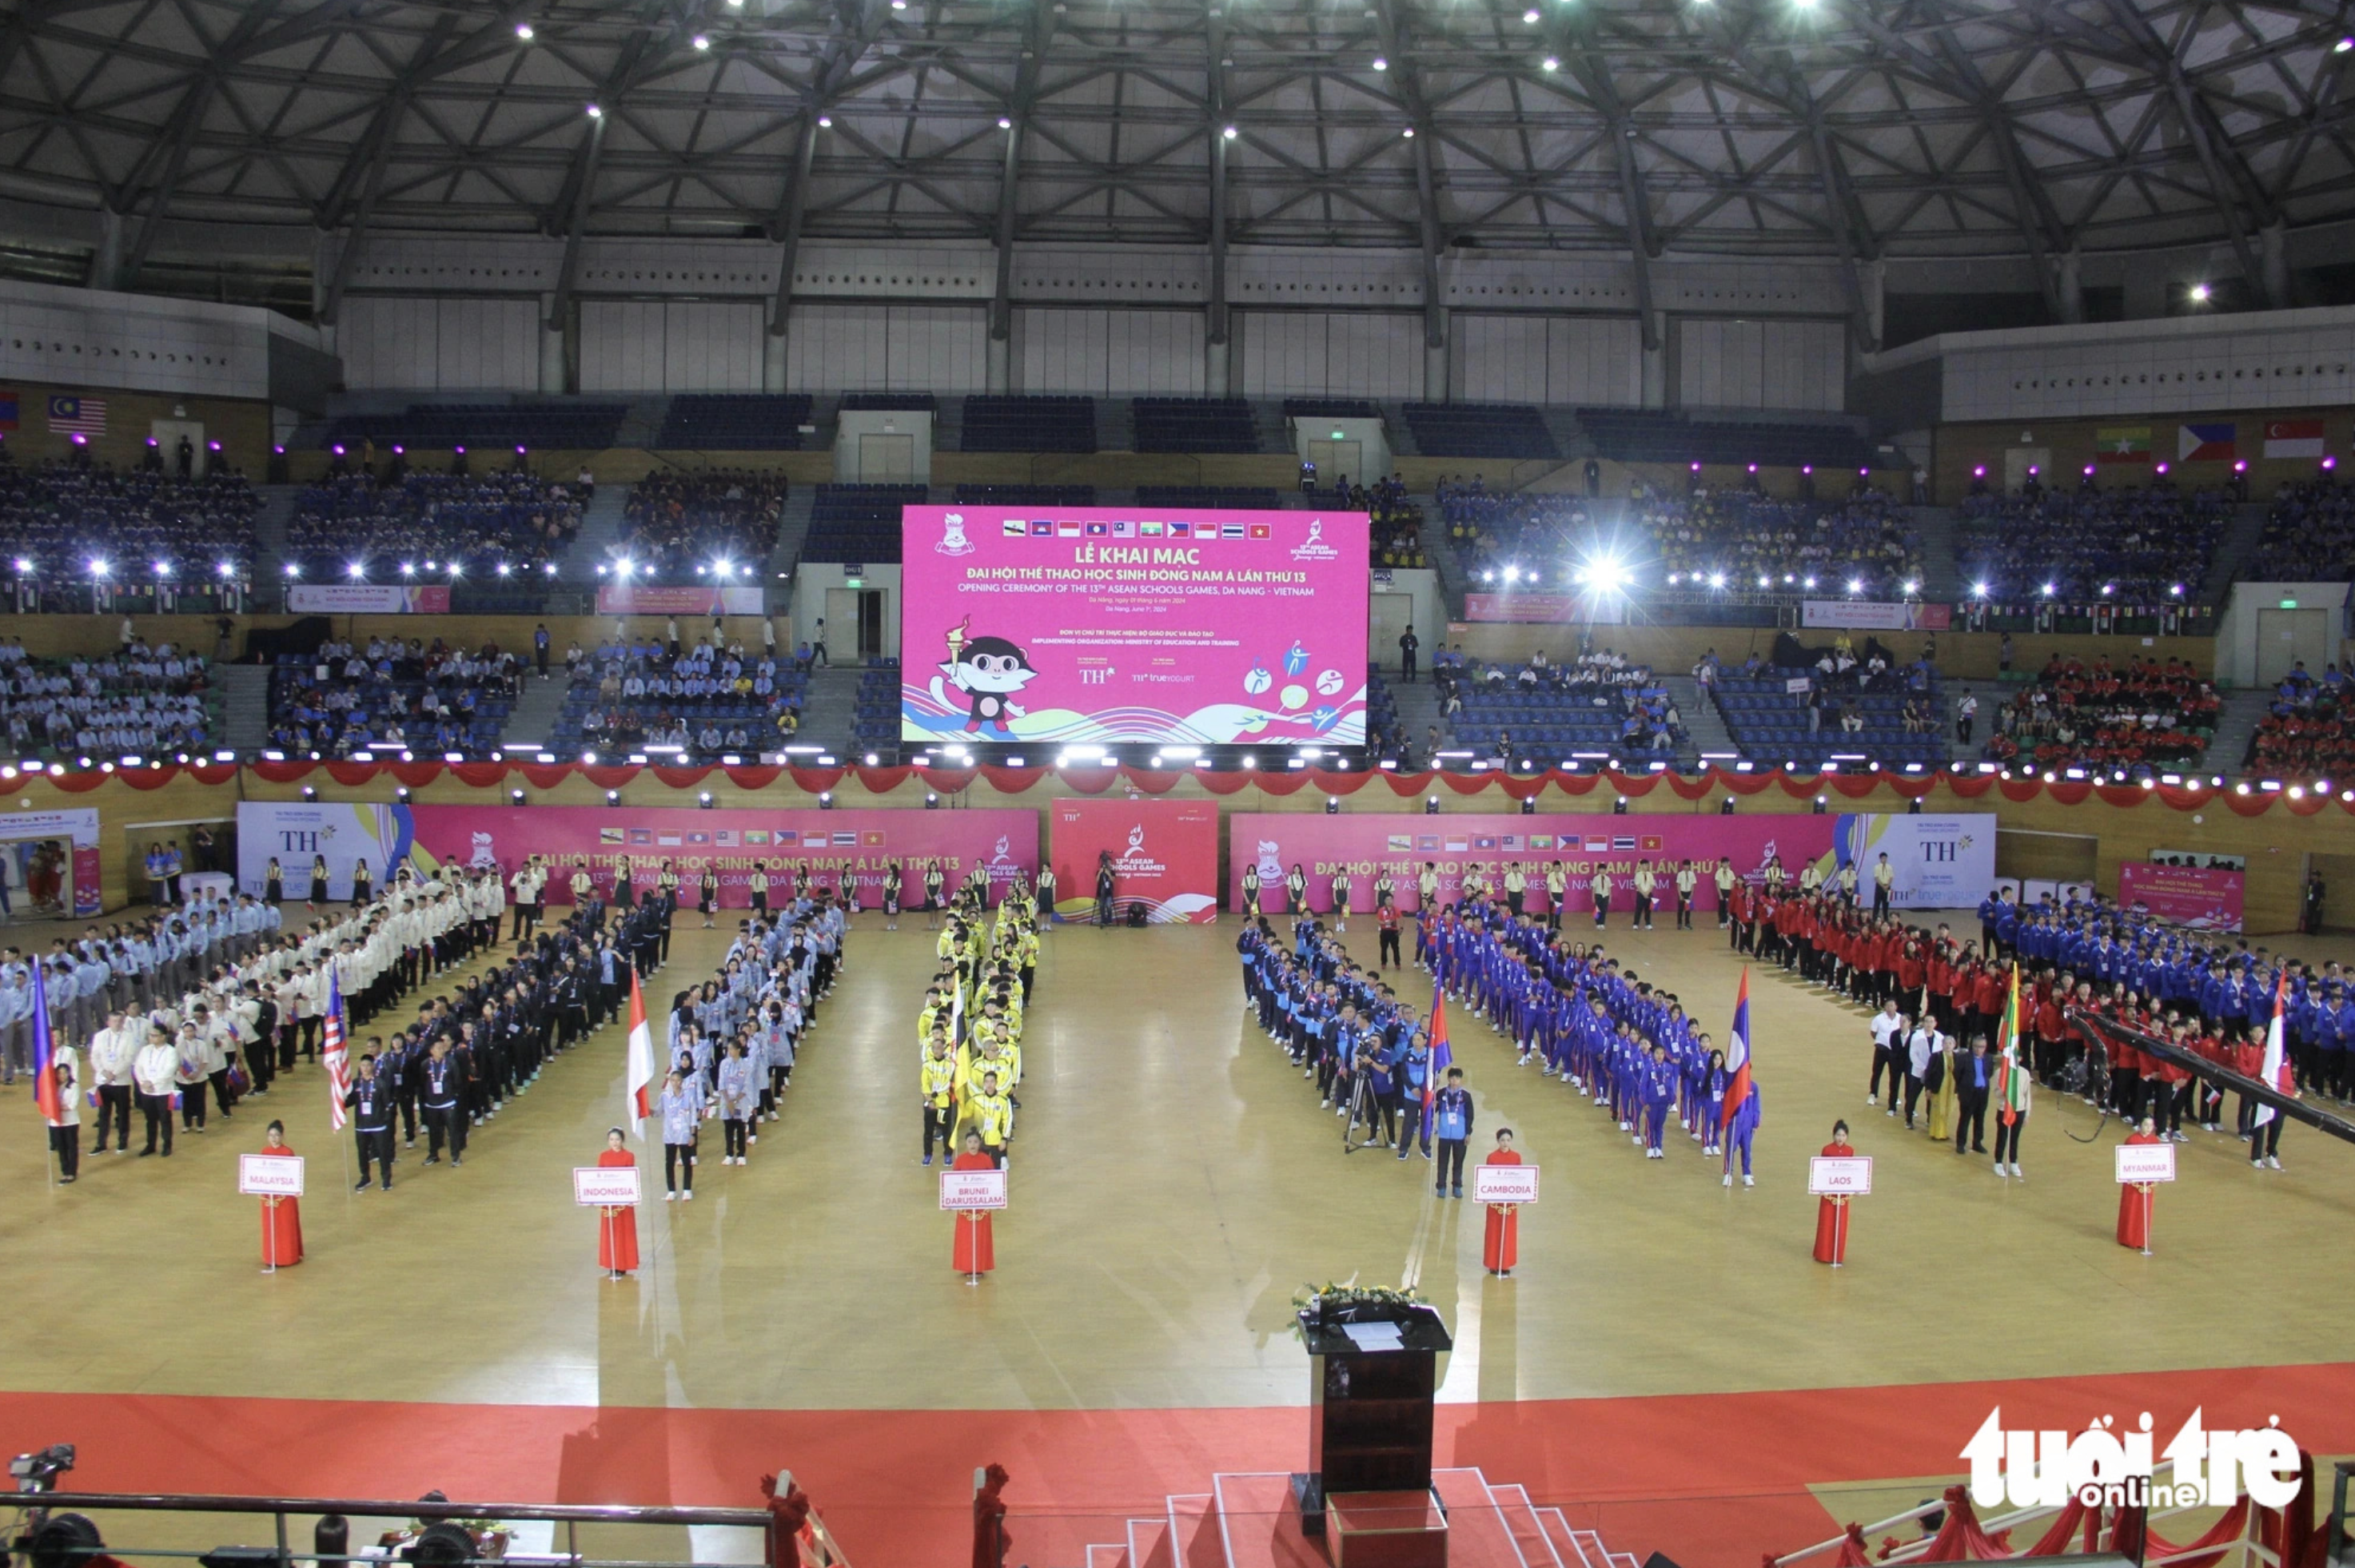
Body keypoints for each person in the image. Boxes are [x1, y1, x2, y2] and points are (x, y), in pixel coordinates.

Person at [950, 1131, 996, 1278]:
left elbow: (994, 1182)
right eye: (970, 1142)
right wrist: (949, 1202)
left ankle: (980, 1266)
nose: (973, 1145)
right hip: (965, 1207)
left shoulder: (986, 1160)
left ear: (980, 1143)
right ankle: (967, 1266)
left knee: (981, 1237)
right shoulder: (960, 1160)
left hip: (982, 1207)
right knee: (966, 1237)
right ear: (966, 1143)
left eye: (975, 1142)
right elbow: (953, 1183)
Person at [257, 1120, 304, 1267]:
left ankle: (287, 1256)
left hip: (285, 1197)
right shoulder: (264, 1152)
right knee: (270, 1227)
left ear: (282, 1136)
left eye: (276, 1135)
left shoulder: (287, 1152)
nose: (274, 1138)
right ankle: (272, 1257)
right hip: (268, 1196)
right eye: (271, 1135)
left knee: (285, 1226)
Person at [596, 1128, 640, 1276]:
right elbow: (598, 1177)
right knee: (610, 1232)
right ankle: (611, 1264)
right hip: (609, 1201)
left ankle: (623, 1264)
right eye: (611, 1140)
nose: (614, 1143)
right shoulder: (603, 1156)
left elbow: (630, 1177)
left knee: (623, 1233)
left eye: (617, 1139)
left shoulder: (628, 1156)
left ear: (622, 1140)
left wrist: (631, 1196)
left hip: (623, 1202)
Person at [1480, 1127, 1521, 1275]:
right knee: (1494, 1232)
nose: (1505, 1143)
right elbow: (1487, 1178)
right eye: (1503, 1140)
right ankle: (1493, 1263)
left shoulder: (1516, 1157)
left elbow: (1520, 1179)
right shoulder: (1492, 1157)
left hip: (1510, 1202)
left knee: (1508, 1233)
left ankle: (1506, 1264)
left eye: (1508, 1140)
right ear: (1498, 1141)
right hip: (1495, 1203)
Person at [1813, 1120, 1855, 1264]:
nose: (1840, 1138)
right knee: (1827, 1222)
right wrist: (1819, 1187)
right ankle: (1823, 1254)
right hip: (1829, 1193)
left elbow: (1853, 1172)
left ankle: (1837, 1255)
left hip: (1843, 1194)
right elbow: (1821, 1170)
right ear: (1833, 1135)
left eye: (1843, 1135)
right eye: (1838, 1135)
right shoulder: (1827, 1150)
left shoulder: (1850, 1151)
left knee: (1841, 1224)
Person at [2118, 1117, 2162, 1250]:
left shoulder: (2155, 1141)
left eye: (2151, 1125)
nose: (2148, 1128)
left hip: (2148, 1182)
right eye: (2146, 1125)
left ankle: (2141, 1238)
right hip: (2133, 1182)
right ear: (2140, 1125)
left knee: (2145, 1209)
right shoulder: (2132, 1140)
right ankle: (2128, 1237)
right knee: (2131, 1208)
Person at [43, 1032, 81, 1183]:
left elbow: (71, 1105)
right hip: (56, 1121)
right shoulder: (54, 1089)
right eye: (59, 1073)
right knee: (61, 1147)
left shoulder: (73, 1086)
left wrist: (61, 1107)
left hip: (70, 1121)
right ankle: (64, 1171)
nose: (62, 1076)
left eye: (64, 1073)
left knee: (71, 1146)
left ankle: (72, 1172)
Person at [1431, 1067, 1472, 1196]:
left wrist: (1468, 1133)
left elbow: (1470, 1116)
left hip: (1460, 1135)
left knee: (1458, 1162)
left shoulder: (1465, 1096)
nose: (1454, 1081)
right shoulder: (1441, 1093)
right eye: (1452, 1078)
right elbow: (1434, 1110)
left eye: (1457, 1078)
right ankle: (1441, 1186)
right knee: (1443, 1161)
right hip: (1444, 1134)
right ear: (1448, 1079)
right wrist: (1433, 1106)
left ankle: (1457, 1186)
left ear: (1460, 1080)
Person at [658, 1069, 699, 1200]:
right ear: (670, 1081)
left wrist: (693, 1134)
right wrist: (646, 1110)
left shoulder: (689, 1096)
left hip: (684, 1134)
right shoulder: (664, 1096)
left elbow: (693, 1116)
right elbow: (658, 1111)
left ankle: (687, 1189)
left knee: (687, 1162)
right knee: (669, 1163)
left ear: (682, 1082)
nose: (675, 1083)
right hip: (670, 1134)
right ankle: (671, 1190)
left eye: (678, 1080)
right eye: (673, 1080)